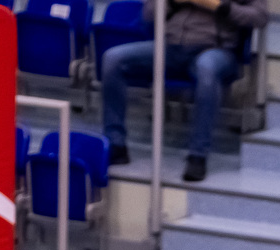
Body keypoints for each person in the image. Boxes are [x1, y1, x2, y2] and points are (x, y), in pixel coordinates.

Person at [101, 0, 270, 182]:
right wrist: (172, 3)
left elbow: (260, 17)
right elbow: (147, 16)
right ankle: (116, 144)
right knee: (112, 58)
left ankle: (198, 155)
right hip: (170, 47)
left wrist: (219, 6)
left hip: (216, 50)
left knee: (207, 68)